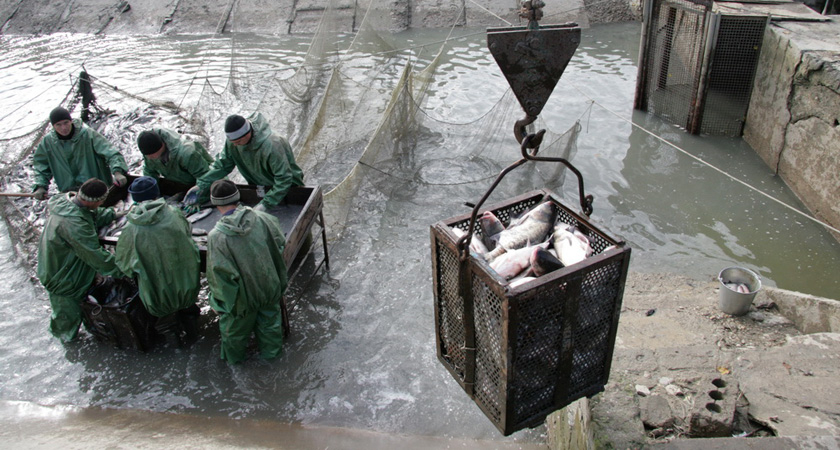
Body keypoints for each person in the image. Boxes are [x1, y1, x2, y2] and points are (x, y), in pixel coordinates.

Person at [205, 180, 288, 364]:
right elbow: (280, 243)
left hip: (241, 301)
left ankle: (235, 370)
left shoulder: (216, 236)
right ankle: (274, 365)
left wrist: (219, 304)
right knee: (270, 330)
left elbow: (220, 277)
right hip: (268, 288)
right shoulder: (262, 218)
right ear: (238, 197)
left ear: (216, 204)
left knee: (234, 337)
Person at [36, 178, 128, 342]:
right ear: (93, 201)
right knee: (66, 323)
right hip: (62, 278)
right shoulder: (75, 225)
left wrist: (114, 214)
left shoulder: (69, 203)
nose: (102, 204)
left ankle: (90, 329)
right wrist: (125, 270)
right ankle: (66, 345)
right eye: (101, 202)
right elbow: (96, 257)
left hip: (66, 264)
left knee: (86, 310)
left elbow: (91, 215)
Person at [115, 177, 201, 347]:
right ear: (157, 195)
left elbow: (124, 263)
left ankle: (177, 348)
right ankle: (195, 340)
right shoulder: (174, 213)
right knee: (189, 311)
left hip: (156, 290)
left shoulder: (131, 228)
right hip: (184, 282)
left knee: (165, 321)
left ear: (136, 200)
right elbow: (187, 234)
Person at [186, 112, 303, 212]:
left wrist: (265, 204)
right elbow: (222, 166)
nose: (235, 145)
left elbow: (284, 178)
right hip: (261, 186)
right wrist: (201, 184)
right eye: (232, 142)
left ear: (248, 133)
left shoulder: (272, 145)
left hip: (289, 189)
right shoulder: (233, 143)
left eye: (238, 142)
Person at [31, 107, 129, 199]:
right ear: (53, 126)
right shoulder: (48, 142)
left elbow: (111, 153)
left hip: (98, 191)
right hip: (71, 194)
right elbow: (41, 166)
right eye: (58, 125)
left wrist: (118, 172)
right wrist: (40, 186)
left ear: (71, 121)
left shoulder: (88, 134)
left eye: (66, 123)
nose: (63, 128)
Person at [136, 128, 214, 187]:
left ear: (162, 145)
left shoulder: (186, 154)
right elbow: (149, 171)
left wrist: (198, 192)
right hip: (180, 182)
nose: (150, 158)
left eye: (152, 155)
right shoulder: (149, 153)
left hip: (207, 180)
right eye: (147, 156)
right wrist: (149, 188)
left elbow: (206, 177)